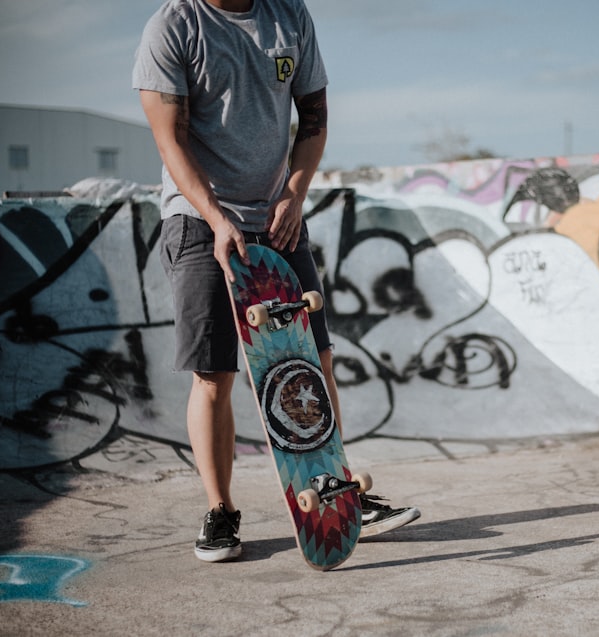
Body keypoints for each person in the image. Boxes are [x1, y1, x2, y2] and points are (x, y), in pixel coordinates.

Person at [132, 0, 419, 563]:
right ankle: (221, 511)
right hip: (197, 221)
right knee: (213, 374)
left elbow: (313, 120)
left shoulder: (288, 15)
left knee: (314, 359)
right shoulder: (174, 26)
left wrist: (293, 194)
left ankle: (339, 494)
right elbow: (171, 140)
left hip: (278, 218)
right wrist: (217, 220)